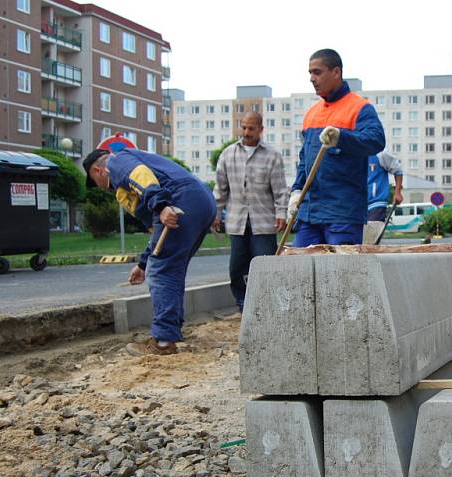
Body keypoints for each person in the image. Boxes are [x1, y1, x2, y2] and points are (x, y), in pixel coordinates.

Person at [83, 147, 216, 356]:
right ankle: (169, 332)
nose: (100, 188)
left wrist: (162, 205)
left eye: (95, 181)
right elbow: (157, 231)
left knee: (163, 272)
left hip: (179, 199)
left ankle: (163, 342)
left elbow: (140, 175)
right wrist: (143, 263)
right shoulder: (126, 187)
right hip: (200, 199)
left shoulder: (115, 162)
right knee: (171, 269)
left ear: (98, 171)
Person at [287, 48, 385, 246]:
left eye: (317, 72)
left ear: (336, 72)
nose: (312, 79)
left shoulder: (359, 108)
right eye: (310, 73)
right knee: (301, 269)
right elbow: (304, 160)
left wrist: (341, 138)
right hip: (309, 213)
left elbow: (376, 140)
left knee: (342, 273)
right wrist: (296, 191)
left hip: (342, 213)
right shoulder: (311, 114)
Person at [213, 112, 288, 311]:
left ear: (261, 130)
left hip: (263, 222)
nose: (246, 132)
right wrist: (215, 213)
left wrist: (282, 213)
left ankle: (266, 305)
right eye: (244, 127)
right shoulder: (228, 154)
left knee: (265, 266)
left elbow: (280, 190)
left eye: (251, 128)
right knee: (236, 268)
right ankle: (243, 304)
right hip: (237, 221)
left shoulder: (272, 156)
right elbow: (220, 188)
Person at [367, 151, 404, 222]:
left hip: (376, 202)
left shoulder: (381, 154)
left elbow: (398, 171)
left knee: (372, 230)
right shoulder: (353, 152)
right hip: (358, 203)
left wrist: (397, 192)